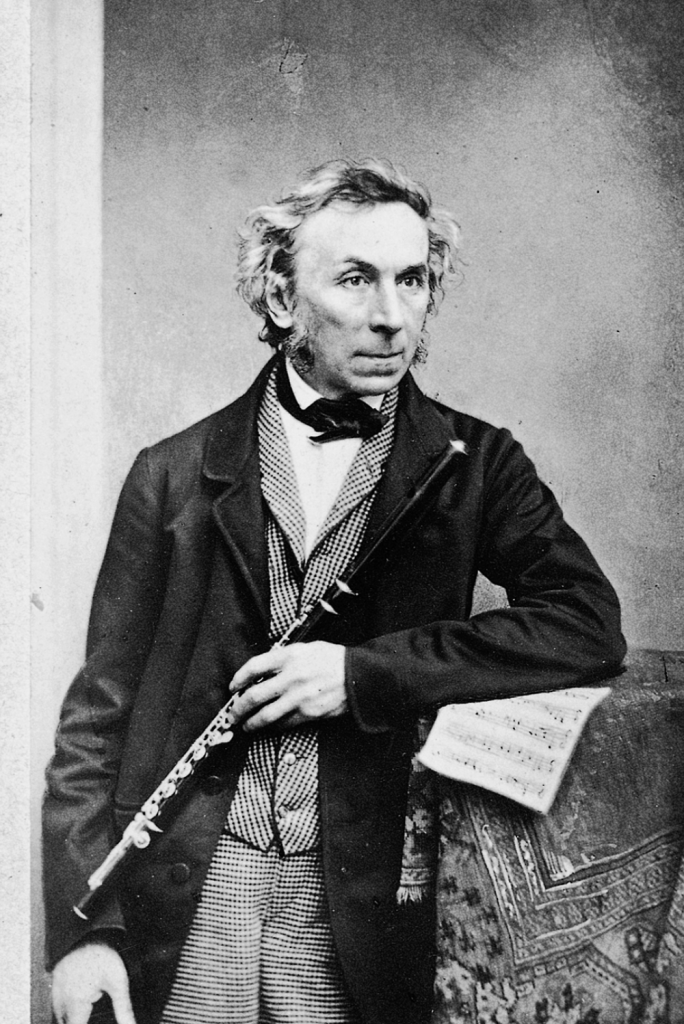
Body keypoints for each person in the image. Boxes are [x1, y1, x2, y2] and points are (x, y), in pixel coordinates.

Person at [44, 158, 626, 1024]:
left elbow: (586, 624)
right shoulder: (170, 473)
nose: (393, 316)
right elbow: (98, 716)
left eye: (412, 280)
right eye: (356, 280)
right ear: (283, 298)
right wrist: (82, 931)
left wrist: (363, 674)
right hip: (189, 897)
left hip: (365, 908)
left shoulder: (479, 463)